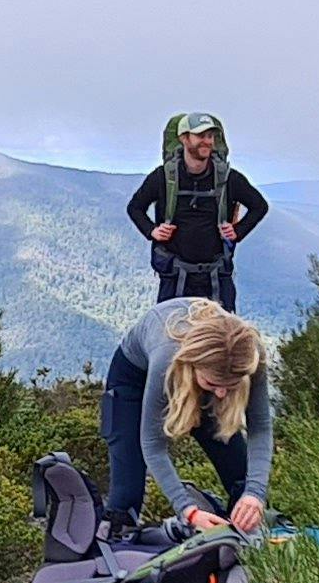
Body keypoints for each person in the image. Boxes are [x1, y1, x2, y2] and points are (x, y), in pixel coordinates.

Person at [100, 296, 272, 535]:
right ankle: (114, 550)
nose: (222, 394)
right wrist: (188, 510)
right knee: (127, 493)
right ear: (194, 367)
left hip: (201, 371)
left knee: (243, 480)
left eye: (231, 386)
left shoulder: (248, 358)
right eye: (214, 384)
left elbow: (260, 426)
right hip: (133, 379)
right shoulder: (167, 358)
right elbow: (152, 444)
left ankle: (239, 541)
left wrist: (255, 494)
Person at [124, 112, 268, 311]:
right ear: (184, 138)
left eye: (210, 136)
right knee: (171, 338)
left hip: (216, 277)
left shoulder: (227, 178)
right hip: (175, 277)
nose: (207, 142)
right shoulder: (164, 177)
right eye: (200, 136)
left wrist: (238, 231)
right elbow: (135, 207)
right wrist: (152, 231)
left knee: (221, 339)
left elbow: (259, 206)